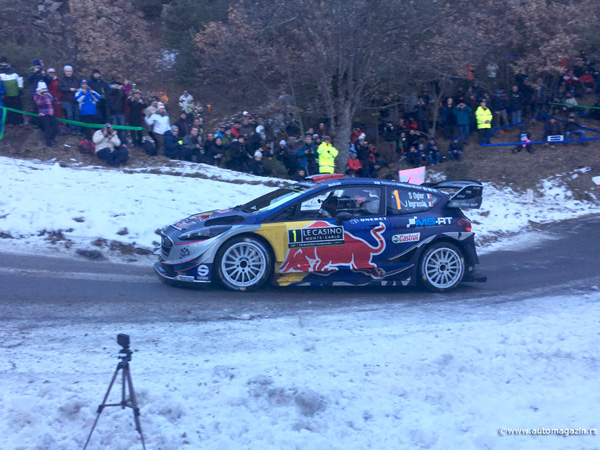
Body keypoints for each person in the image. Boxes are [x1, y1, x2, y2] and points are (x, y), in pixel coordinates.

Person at [33, 81, 58, 147]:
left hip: (51, 112)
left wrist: (55, 98)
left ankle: (52, 138)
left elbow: (53, 101)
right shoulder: (36, 95)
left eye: (45, 89)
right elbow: (38, 102)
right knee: (48, 128)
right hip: (43, 113)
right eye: (42, 89)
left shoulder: (48, 94)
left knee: (56, 127)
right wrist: (42, 95)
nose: (44, 90)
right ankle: (49, 142)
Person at [0, 56, 24, 125]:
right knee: (11, 108)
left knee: (14, 108)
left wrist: (20, 88)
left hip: (11, 93)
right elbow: (20, 79)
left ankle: (17, 122)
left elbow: (20, 79)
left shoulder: (14, 70)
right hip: (7, 94)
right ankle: (12, 122)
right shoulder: (14, 70)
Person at [58, 65, 80, 133]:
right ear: (64, 72)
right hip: (67, 100)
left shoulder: (75, 79)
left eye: (70, 71)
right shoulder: (62, 80)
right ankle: (72, 129)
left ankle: (78, 129)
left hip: (76, 99)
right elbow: (60, 89)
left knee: (77, 115)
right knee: (70, 115)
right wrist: (69, 89)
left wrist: (78, 89)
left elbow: (79, 86)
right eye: (67, 71)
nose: (68, 73)